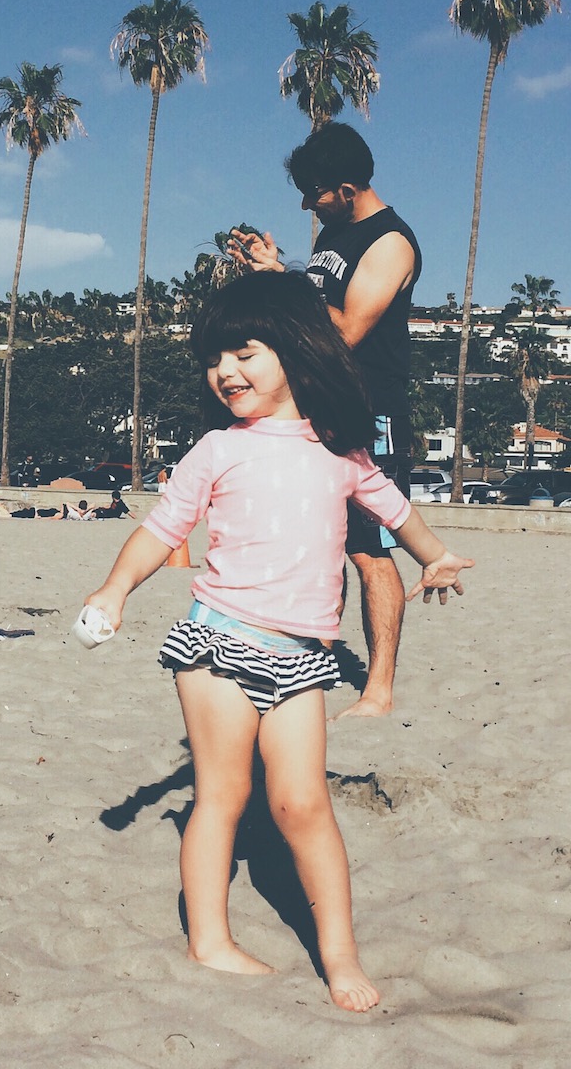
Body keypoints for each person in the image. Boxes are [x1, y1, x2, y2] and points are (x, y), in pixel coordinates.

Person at [82, 272, 472, 1013]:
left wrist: (436, 557)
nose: (225, 371)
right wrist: (114, 590)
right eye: (214, 360)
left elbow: (396, 511)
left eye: (243, 352)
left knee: (302, 805)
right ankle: (210, 940)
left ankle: (341, 954)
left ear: (295, 349)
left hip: (302, 661)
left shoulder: (341, 452)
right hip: (217, 646)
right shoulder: (218, 450)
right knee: (222, 796)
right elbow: (161, 529)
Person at [227, 122, 421, 719]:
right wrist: (273, 272)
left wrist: (282, 281)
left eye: (315, 193)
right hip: (321, 405)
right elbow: (315, 311)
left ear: (346, 186)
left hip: (370, 412)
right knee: (314, 541)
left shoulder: (390, 242)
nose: (306, 203)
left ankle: (379, 690)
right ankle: (308, 664)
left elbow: (346, 328)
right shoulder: (334, 234)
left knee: (369, 551)